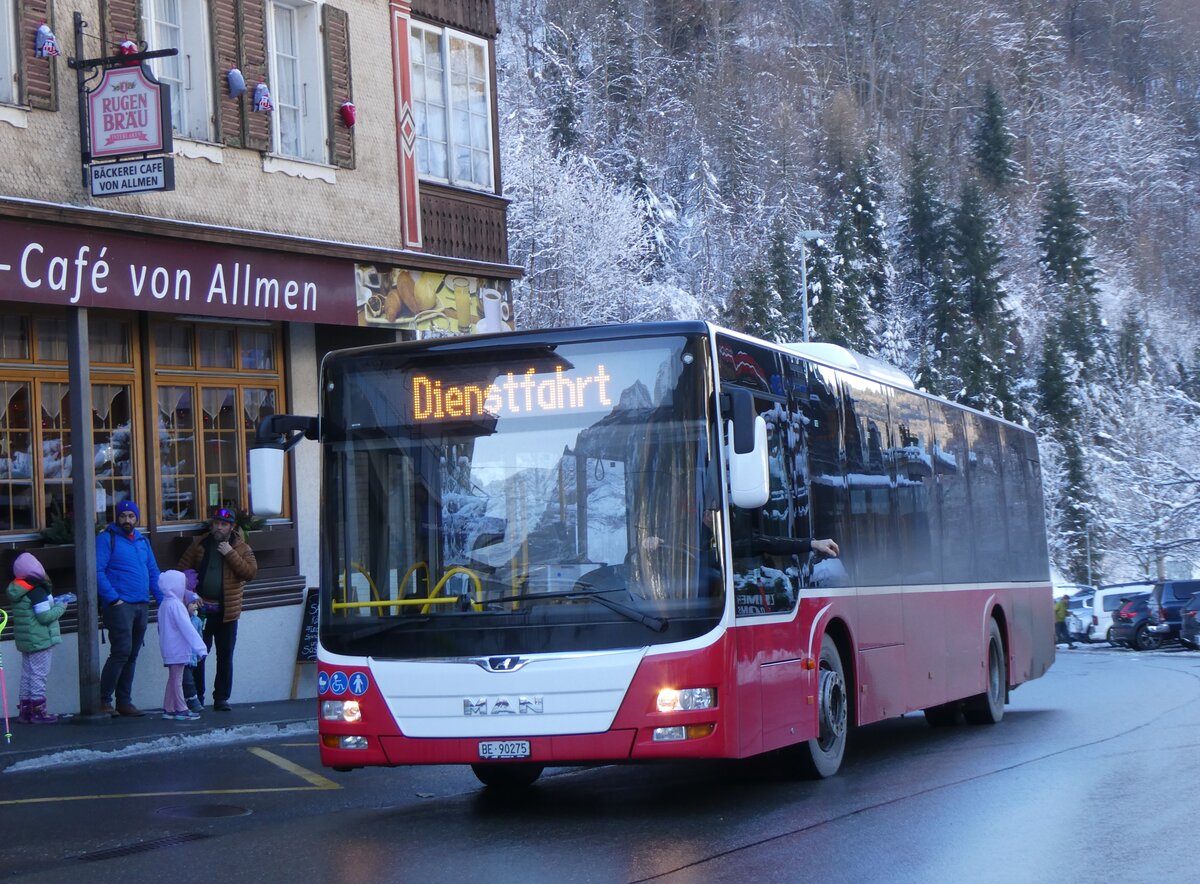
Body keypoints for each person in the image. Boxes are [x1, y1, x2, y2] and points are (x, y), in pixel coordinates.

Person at [177, 506, 257, 711]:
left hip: (227, 612)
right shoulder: (200, 544)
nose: (219, 527)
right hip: (201, 611)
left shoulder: (242, 548)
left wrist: (230, 554)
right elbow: (181, 571)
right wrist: (190, 596)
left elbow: (249, 573)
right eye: (216, 523)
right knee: (198, 655)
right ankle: (198, 697)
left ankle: (221, 698)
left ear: (232, 527)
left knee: (225, 656)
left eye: (224, 524)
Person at [97, 499, 162, 717]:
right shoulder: (107, 539)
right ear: (117, 518)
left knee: (132, 654)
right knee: (121, 652)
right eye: (123, 516)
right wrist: (114, 599)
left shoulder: (143, 541)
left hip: (141, 604)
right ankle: (104, 700)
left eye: (131, 516)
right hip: (120, 606)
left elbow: (153, 571)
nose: (127, 520)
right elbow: (97, 571)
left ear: (137, 518)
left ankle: (124, 701)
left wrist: (163, 601)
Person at [5, 552, 73, 724]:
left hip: (26, 639)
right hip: (40, 639)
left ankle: (25, 711)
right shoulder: (37, 590)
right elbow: (44, 617)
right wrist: (60, 607)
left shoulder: (18, 588)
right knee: (39, 675)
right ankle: (38, 711)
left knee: (27, 674)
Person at [156, 570, 208, 722]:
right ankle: (181, 709)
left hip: (168, 648)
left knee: (173, 679)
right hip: (178, 648)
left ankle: (169, 708)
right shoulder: (177, 606)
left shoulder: (164, 604)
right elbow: (187, 628)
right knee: (177, 680)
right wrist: (201, 648)